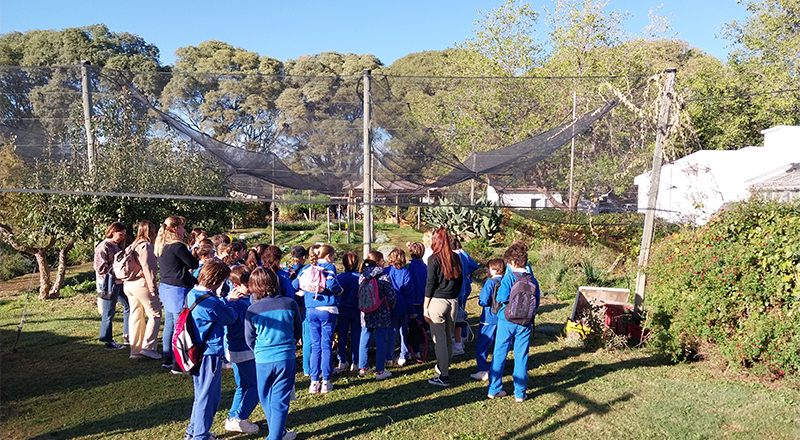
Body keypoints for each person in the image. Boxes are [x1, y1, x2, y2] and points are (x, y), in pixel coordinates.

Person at [184, 259, 241, 440]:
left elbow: (212, 308)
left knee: (200, 394)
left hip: (195, 350)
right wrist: (231, 302)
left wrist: (224, 300)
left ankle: (193, 430)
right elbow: (229, 317)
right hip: (209, 352)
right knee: (209, 397)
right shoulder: (212, 303)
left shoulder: (193, 294)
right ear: (217, 281)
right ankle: (200, 435)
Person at [245, 267, 302, 440]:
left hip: (262, 358)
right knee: (280, 399)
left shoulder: (252, 310)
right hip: (286, 357)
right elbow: (297, 330)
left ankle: (275, 435)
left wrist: (259, 349)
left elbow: (249, 338)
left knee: (266, 397)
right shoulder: (290, 303)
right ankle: (278, 433)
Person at [487, 241, 539, 403]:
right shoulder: (533, 280)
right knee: (521, 356)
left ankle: (494, 389)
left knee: (500, 353)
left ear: (513, 263)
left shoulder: (509, 278)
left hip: (506, 320)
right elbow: (536, 303)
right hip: (525, 323)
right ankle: (520, 393)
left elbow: (501, 297)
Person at [292, 244, 342, 394]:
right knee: (326, 345)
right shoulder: (329, 267)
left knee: (315, 345)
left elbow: (295, 284)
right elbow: (332, 284)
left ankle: (314, 382)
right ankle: (326, 381)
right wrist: (339, 291)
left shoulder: (306, 268)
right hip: (327, 309)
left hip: (311, 310)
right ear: (328, 256)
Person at [155, 216, 199, 370]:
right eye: (182, 227)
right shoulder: (177, 246)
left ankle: (167, 357)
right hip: (178, 288)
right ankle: (177, 362)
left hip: (166, 286)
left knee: (169, 324)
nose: (184, 230)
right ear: (175, 228)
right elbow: (193, 263)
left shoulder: (161, 244)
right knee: (179, 325)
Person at [423, 228, 463, 387]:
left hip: (437, 302)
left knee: (439, 339)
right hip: (453, 301)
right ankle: (445, 365)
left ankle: (443, 375)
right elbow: (460, 281)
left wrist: (425, 306)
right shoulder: (456, 258)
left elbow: (430, 284)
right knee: (448, 337)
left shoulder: (434, 259)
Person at [224, 265, 260, 435]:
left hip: (235, 350)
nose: (251, 288)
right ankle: (240, 418)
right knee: (257, 385)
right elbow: (238, 330)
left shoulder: (237, 300)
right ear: (237, 285)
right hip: (244, 350)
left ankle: (232, 417)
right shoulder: (239, 304)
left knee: (242, 385)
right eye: (248, 285)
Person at [124, 220, 162, 360]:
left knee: (135, 315)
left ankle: (135, 349)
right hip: (141, 283)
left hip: (128, 283)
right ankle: (149, 347)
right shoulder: (146, 246)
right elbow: (149, 268)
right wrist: (153, 287)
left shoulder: (133, 245)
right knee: (155, 314)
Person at [357, 255, 396, 380]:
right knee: (380, 341)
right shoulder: (384, 277)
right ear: (378, 262)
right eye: (382, 260)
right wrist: (390, 306)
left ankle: (363, 367)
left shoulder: (362, 277)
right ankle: (380, 371)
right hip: (382, 312)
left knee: (364, 338)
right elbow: (391, 296)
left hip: (365, 312)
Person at [94, 221, 130, 350]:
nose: (123, 237)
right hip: (110, 283)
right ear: (113, 232)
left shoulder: (118, 245)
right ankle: (107, 340)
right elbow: (100, 268)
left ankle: (128, 335)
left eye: (124, 234)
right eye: (121, 234)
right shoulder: (103, 246)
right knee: (109, 312)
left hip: (120, 282)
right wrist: (116, 269)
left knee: (129, 306)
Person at [470, 258, 505, 381]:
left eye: (488, 268)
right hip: (502, 317)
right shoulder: (507, 281)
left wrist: (480, 301)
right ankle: (498, 367)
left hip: (489, 317)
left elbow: (483, 301)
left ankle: (483, 370)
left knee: (483, 344)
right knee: (499, 344)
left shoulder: (490, 283)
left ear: (494, 269)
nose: (486, 270)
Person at [384, 248, 414, 366]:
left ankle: (389, 356)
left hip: (390, 306)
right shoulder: (406, 273)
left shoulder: (387, 271)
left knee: (391, 332)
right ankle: (403, 355)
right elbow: (410, 293)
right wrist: (411, 310)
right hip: (404, 306)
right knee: (404, 331)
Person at [452, 238, 479, 356]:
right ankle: (462, 337)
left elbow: (475, 266)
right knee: (461, 314)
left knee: (458, 316)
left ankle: (460, 339)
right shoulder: (463, 256)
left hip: (457, 290)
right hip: (463, 288)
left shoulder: (455, 257)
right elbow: (474, 265)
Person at [336, 251, 361, 371]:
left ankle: (342, 360)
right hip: (356, 308)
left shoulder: (339, 277)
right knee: (356, 335)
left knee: (342, 335)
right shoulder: (360, 278)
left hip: (342, 308)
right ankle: (355, 361)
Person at [406, 242, 427, 362]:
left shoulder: (409, 267)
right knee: (418, 326)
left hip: (410, 300)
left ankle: (408, 350)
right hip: (422, 300)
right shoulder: (425, 267)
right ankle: (417, 350)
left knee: (407, 326)